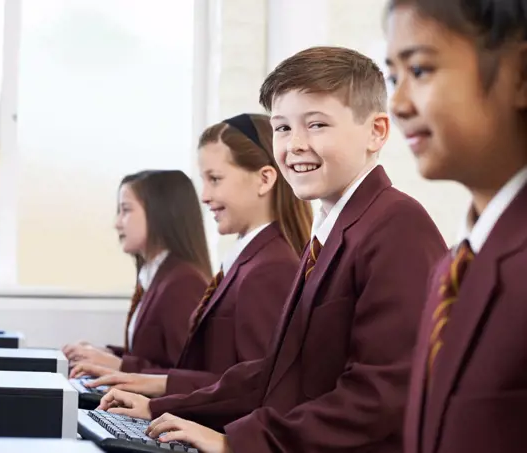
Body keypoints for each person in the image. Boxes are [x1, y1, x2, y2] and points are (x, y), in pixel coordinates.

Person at [98, 46, 447, 453]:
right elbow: (275, 375)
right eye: (282, 128)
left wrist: (237, 444)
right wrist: (161, 406)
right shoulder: (331, 231)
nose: (295, 144)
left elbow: (381, 394)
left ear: (377, 132)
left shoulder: (397, 225)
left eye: (316, 125)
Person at [71, 113, 313, 397]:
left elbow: (256, 389)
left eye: (215, 179)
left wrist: (146, 391)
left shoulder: (270, 267)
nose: (204, 196)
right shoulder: (249, 261)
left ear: (264, 179)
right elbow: (215, 372)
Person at [386, 1, 527, 452]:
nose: (398, 103)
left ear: (520, 75)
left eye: (421, 70)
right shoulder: (452, 267)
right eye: (393, 77)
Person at [63, 170, 211, 373]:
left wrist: (120, 366)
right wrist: (104, 354)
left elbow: (188, 377)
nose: (117, 223)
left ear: (160, 213)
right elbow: (150, 356)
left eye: (126, 210)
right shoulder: (155, 274)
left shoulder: (183, 282)